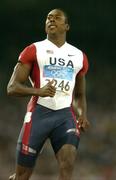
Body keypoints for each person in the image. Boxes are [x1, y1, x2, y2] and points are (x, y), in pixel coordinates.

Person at [7, 8, 90, 180]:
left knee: (67, 165)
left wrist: (82, 115)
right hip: (39, 114)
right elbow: (12, 87)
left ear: (66, 26)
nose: (51, 20)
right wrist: (39, 91)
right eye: (48, 18)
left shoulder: (79, 56)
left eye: (57, 17)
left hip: (65, 115)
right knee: (22, 176)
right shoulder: (34, 50)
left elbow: (80, 95)